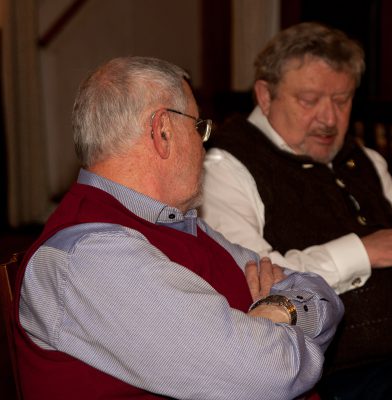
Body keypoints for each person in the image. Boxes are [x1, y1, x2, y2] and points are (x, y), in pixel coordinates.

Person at [13, 56, 344, 400]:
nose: (204, 144)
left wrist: (279, 309)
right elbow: (272, 376)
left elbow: (321, 294)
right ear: (163, 131)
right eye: (199, 127)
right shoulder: (89, 257)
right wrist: (283, 331)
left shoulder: (179, 223)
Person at [201, 22, 392, 399]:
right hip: (338, 380)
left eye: (342, 100)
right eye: (309, 100)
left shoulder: (362, 157)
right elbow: (254, 278)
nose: (329, 119)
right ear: (265, 96)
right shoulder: (224, 166)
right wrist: (365, 251)